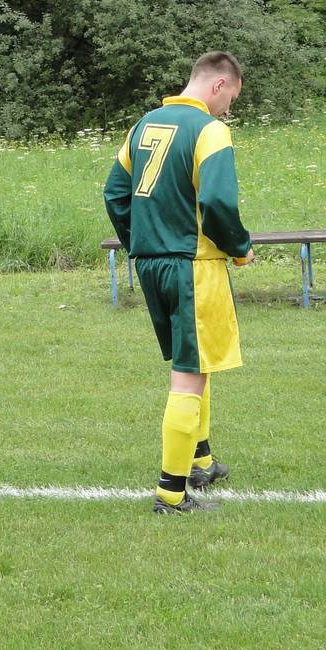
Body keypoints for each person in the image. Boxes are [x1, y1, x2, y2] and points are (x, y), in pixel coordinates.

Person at [103, 52, 255, 514]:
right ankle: (171, 493)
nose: (229, 109)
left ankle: (200, 460)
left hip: (153, 264)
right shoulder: (210, 130)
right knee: (189, 374)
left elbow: (115, 193)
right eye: (231, 98)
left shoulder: (142, 126)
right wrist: (239, 247)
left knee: (196, 361)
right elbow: (217, 201)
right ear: (218, 84)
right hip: (193, 266)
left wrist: (140, 242)